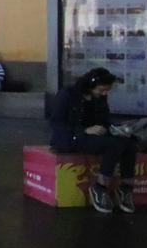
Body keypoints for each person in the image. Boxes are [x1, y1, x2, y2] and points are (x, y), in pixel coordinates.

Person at [50, 67, 137, 214]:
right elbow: (56, 122)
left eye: (106, 91)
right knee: (113, 145)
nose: (104, 94)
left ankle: (126, 187)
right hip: (71, 137)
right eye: (101, 90)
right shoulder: (67, 95)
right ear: (91, 85)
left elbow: (104, 118)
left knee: (129, 144)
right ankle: (100, 187)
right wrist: (83, 130)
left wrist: (117, 128)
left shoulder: (99, 97)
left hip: (94, 135)